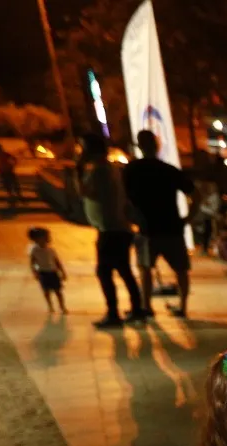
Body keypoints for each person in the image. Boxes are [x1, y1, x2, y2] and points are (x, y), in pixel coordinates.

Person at [125, 129, 195, 318]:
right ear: (157, 146)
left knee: (145, 269)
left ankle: (147, 306)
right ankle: (182, 306)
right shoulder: (168, 170)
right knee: (181, 270)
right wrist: (188, 218)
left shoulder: (131, 170)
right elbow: (194, 193)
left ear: (139, 146)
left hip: (146, 227)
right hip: (172, 226)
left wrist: (129, 218)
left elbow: (123, 198)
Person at [79, 132, 146, 328]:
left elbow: (86, 192)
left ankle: (114, 313)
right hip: (117, 227)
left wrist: (78, 169)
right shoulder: (111, 169)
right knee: (124, 270)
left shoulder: (100, 171)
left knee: (104, 272)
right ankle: (136, 309)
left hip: (110, 229)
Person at [27, 226, 66, 313]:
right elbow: (33, 263)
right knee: (46, 291)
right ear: (36, 239)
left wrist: (62, 272)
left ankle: (62, 306)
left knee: (58, 291)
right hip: (43, 273)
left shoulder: (51, 249)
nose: (47, 238)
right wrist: (35, 271)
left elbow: (57, 261)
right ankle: (50, 306)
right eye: (44, 236)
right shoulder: (34, 250)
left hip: (53, 272)